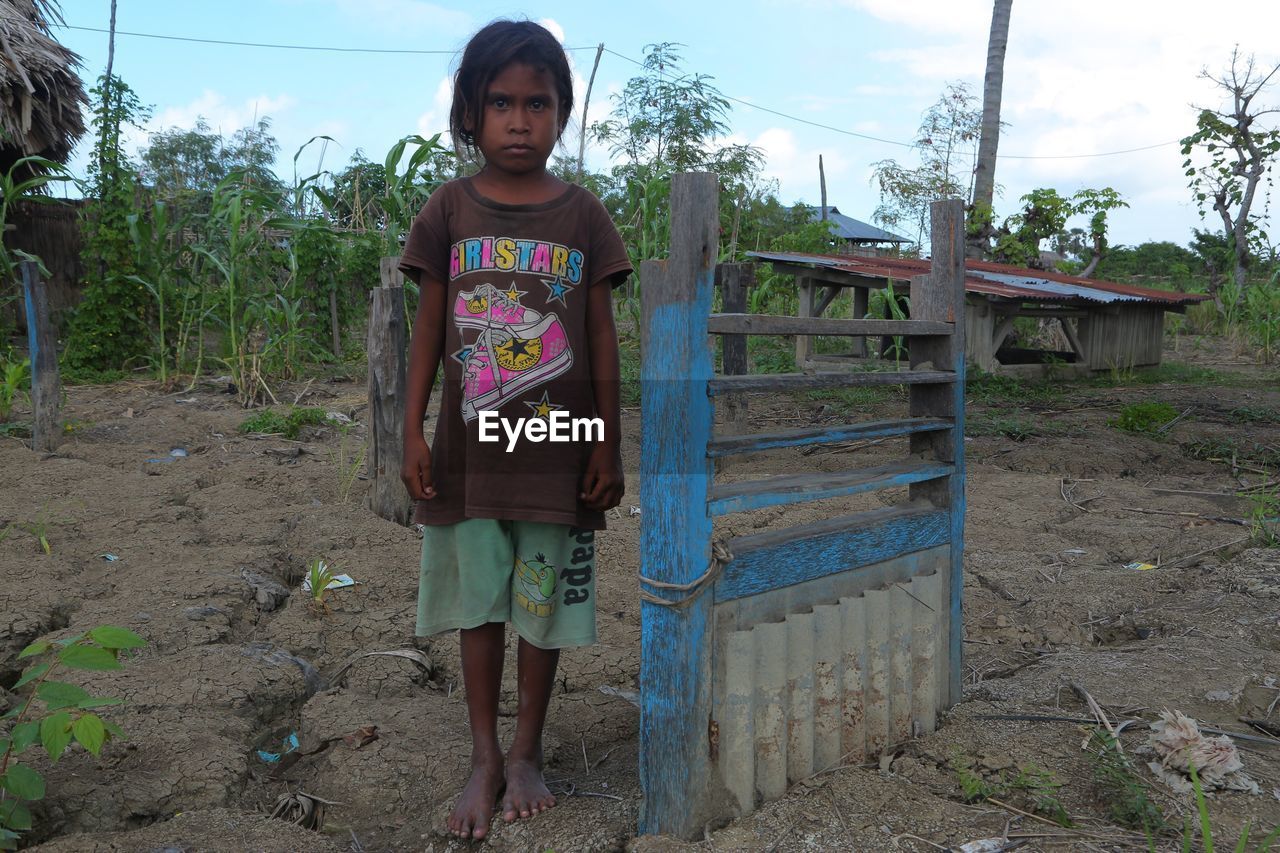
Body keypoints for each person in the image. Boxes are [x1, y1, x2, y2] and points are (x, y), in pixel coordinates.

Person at [398, 19, 632, 842]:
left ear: (563, 113)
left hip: (556, 452)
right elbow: (428, 326)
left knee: (539, 604)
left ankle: (529, 748)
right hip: (468, 455)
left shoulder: (584, 218)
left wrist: (606, 439)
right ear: (469, 111)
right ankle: (484, 753)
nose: (520, 119)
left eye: (538, 102)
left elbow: (600, 334)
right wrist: (412, 429)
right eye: (501, 102)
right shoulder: (448, 209)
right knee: (479, 605)